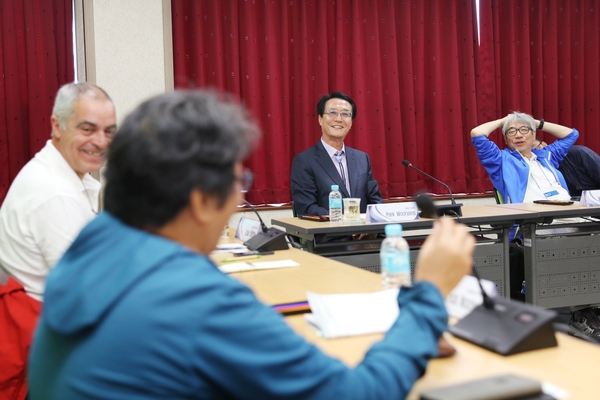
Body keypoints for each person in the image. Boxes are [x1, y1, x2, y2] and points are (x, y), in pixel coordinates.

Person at [29, 90, 475, 399]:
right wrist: (430, 293)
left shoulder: (94, 244)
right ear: (202, 201)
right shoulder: (193, 299)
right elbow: (355, 394)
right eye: (237, 183)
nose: (238, 198)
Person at [0, 82, 116, 399]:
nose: (101, 142)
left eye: (109, 131)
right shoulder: (54, 193)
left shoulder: (64, 175)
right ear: (57, 125)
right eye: (88, 129)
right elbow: (91, 301)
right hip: (47, 355)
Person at [471, 112, 600, 341]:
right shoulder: (501, 161)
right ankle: (560, 321)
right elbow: (477, 134)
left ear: (534, 136)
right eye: (512, 132)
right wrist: (505, 121)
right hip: (538, 224)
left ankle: (583, 309)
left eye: (524, 131)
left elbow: (572, 134)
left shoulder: (547, 157)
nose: (518, 135)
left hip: (574, 218)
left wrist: (536, 123)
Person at [290, 92, 383, 216]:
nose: (339, 119)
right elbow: (307, 208)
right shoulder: (304, 161)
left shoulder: (362, 159)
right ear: (320, 119)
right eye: (332, 113)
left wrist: (370, 223)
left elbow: (375, 200)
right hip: (330, 233)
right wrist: (347, 223)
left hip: (365, 233)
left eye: (345, 114)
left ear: (351, 123)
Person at [533, 138, 600, 197]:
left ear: (544, 144)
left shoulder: (578, 153)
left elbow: (573, 134)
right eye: (532, 152)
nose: (537, 154)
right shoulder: (535, 168)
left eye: (536, 148)